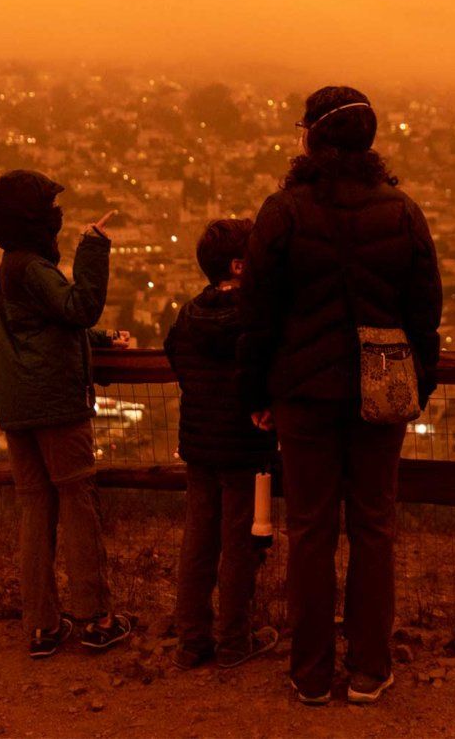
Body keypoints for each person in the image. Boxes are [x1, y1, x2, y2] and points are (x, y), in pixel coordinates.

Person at [238, 86, 442, 706]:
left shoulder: (283, 213)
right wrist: (416, 388)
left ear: (311, 139)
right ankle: (370, 667)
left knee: (312, 530)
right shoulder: (402, 213)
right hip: (381, 395)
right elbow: (424, 314)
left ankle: (310, 672)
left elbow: (258, 316)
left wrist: (258, 391)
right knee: (375, 527)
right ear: (369, 142)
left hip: (302, 395)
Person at [0, 169, 132, 659]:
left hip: (18, 405)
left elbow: (42, 328)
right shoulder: (32, 268)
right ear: (35, 220)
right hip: (54, 404)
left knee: (34, 507)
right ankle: (96, 617)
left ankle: (43, 625)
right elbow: (80, 306)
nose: (57, 217)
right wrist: (93, 249)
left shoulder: (11, 266)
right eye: (49, 209)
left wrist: (100, 344)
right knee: (77, 502)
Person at [164, 219, 279, 671]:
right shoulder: (255, 320)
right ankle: (234, 640)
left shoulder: (187, 317)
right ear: (238, 265)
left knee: (198, 541)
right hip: (245, 447)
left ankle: (192, 640)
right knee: (239, 546)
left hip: (198, 446)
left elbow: (177, 360)